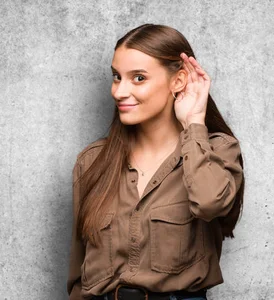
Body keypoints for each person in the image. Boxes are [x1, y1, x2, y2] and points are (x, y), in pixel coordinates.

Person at [67, 23, 245, 300]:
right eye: (117, 77)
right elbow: (78, 272)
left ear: (178, 80)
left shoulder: (217, 150)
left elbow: (210, 203)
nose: (119, 91)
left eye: (138, 78)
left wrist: (194, 124)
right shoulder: (91, 161)